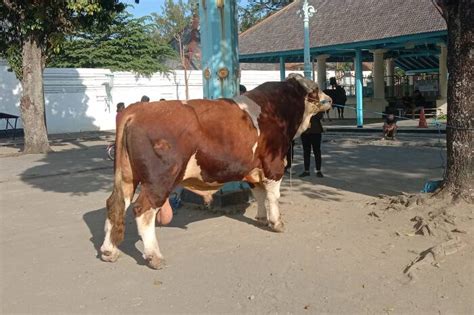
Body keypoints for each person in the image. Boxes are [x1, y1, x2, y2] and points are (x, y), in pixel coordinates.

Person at [299, 112, 324, 178]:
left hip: (316, 132)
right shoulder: (304, 105)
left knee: (317, 151)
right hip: (305, 132)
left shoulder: (317, 106)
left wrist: (312, 112)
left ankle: (318, 170)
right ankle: (306, 170)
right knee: (306, 152)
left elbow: (320, 116)